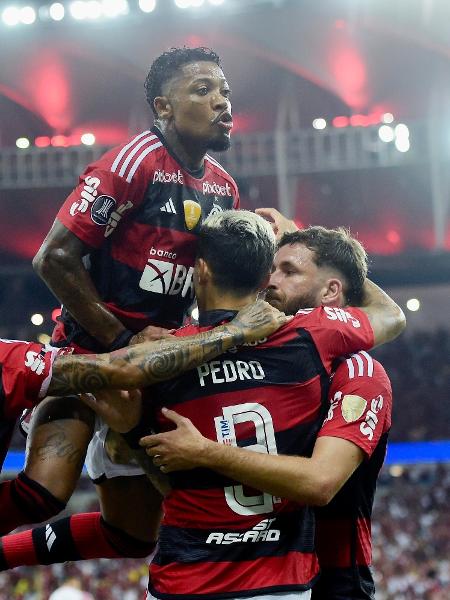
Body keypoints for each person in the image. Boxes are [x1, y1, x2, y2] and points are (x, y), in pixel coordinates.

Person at [95, 212, 403, 598]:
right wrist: (136, 429)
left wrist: (206, 451)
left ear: (330, 295)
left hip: (334, 579)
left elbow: (320, 482)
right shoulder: (265, 345)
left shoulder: (356, 369)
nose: (271, 280)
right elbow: (177, 484)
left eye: (289, 271)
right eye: (270, 267)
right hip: (274, 573)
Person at [12, 45, 238, 558]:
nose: (222, 102)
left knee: (135, 535)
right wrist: (122, 341)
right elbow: (53, 259)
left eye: (225, 91)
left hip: (156, 367)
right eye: (203, 91)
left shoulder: (224, 190)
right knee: (42, 493)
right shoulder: (132, 163)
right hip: (87, 355)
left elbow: (211, 286)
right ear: (163, 108)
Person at [0, 299, 286, 537]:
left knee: (48, 498)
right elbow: (125, 371)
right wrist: (235, 331)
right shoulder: (9, 360)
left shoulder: (9, 360)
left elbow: (120, 371)